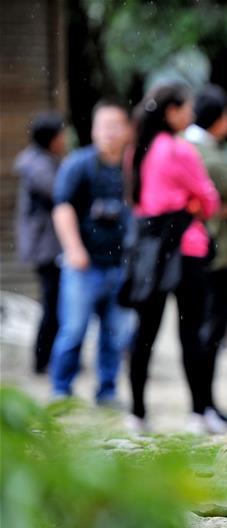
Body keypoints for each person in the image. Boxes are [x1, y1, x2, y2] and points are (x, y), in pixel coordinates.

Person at [128, 83, 222, 433]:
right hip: (186, 249)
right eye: (187, 108)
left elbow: (138, 201)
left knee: (145, 333)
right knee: (191, 332)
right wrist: (193, 205)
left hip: (150, 251)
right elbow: (209, 201)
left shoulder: (138, 149)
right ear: (172, 111)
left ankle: (136, 412)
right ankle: (199, 413)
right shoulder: (180, 151)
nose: (191, 115)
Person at [50, 101, 131, 407]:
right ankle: (61, 392)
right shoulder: (78, 163)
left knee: (114, 336)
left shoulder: (130, 167)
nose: (110, 132)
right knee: (73, 331)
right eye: (104, 125)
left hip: (120, 265)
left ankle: (107, 392)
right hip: (84, 266)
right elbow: (62, 207)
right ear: (94, 129)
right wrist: (74, 250)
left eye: (116, 125)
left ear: (127, 130)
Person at [184, 85, 227, 424]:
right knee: (210, 332)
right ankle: (204, 407)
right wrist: (225, 204)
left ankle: (204, 406)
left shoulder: (187, 147)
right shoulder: (207, 153)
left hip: (199, 253)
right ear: (222, 119)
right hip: (218, 254)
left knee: (200, 331)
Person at [15, 113, 65, 374]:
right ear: (51, 138)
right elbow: (61, 192)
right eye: (61, 134)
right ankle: (42, 360)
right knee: (52, 305)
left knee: (54, 304)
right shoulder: (38, 166)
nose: (64, 139)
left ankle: (48, 358)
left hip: (49, 245)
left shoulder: (43, 161)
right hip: (46, 246)